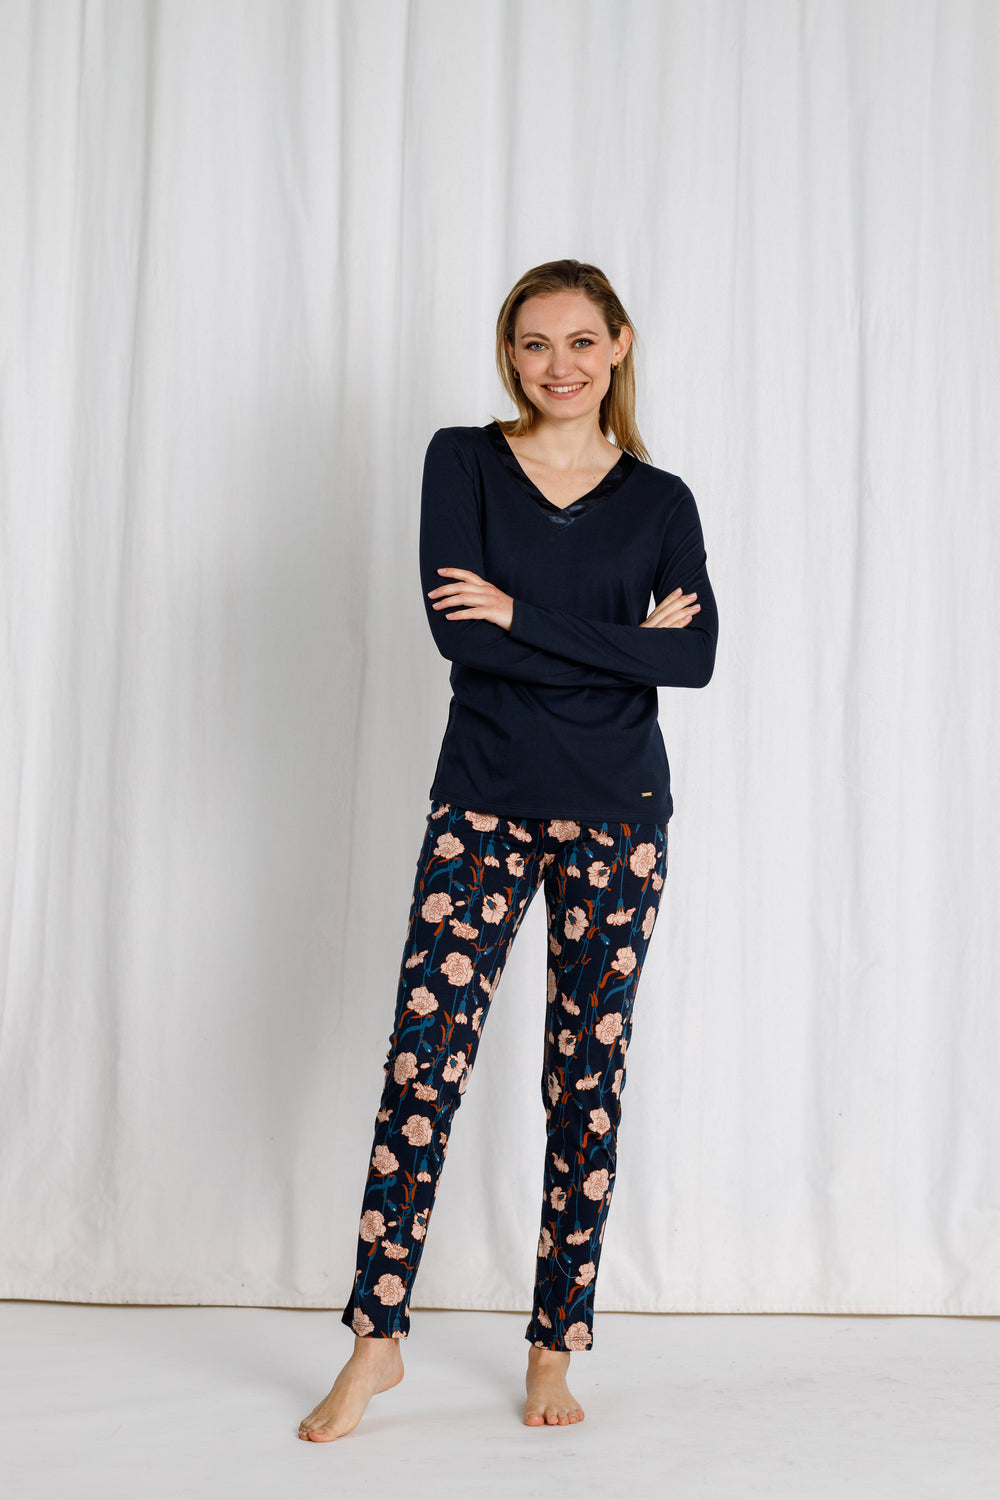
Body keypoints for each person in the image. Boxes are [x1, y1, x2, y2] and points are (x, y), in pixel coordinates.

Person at [298, 258, 718, 1441]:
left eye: (580, 341)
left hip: (620, 816)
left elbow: (692, 660)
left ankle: (553, 1345)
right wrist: (619, 643)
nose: (558, 366)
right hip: (481, 804)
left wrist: (525, 617)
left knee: (585, 1079)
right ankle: (376, 1342)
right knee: (421, 1068)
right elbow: (459, 637)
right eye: (534, 343)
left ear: (618, 344)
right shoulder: (463, 463)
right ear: (509, 354)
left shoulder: (661, 501)